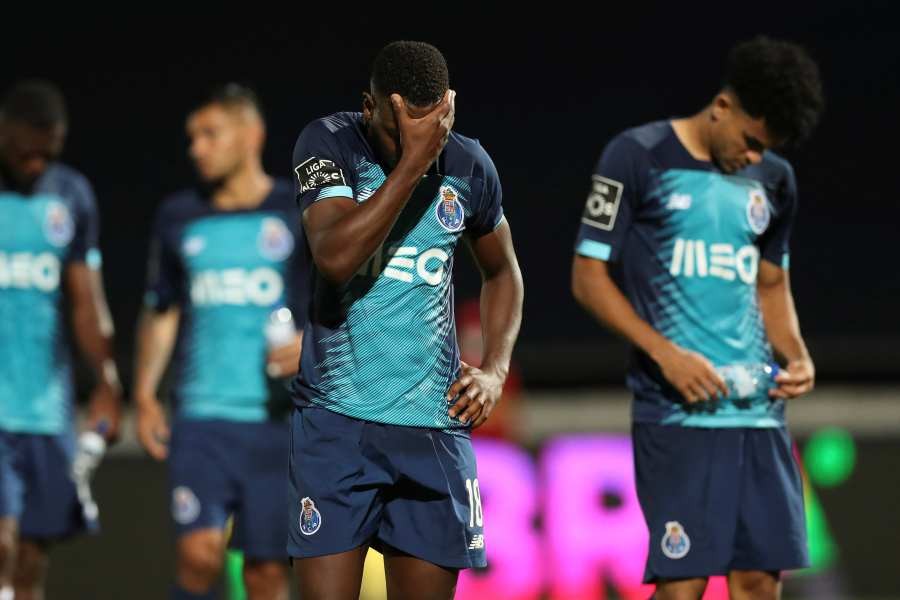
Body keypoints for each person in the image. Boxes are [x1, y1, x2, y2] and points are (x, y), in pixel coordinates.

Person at [571, 36, 824, 600]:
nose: (755, 157)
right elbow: (587, 279)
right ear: (722, 106)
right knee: (682, 583)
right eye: (752, 141)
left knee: (759, 579)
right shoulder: (636, 157)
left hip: (758, 414)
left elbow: (772, 283)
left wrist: (797, 354)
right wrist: (665, 353)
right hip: (678, 413)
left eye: (768, 148)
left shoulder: (775, 181)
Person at [288, 41, 524, 600]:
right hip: (336, 425)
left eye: (430, 133)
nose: (416, 146)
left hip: (432, 429)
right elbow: (336, 257)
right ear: (369, 107)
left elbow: (504, 273)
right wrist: (415, 165)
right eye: (401, 134)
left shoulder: (469, 165)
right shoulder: (327, 143)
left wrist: (494, 369)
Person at [134, 84, 304, 600]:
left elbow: (339, 303)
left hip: (277, 422)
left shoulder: (296, 210)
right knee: (199, 555)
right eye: (192, 137)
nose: (197, 148)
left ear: (252, 135)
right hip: (201, 419)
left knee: (267, 574)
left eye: (210, 133)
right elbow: (162, 309)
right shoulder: (179, 216)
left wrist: (312, 344)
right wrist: (143, 393)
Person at [0, 80, 122, 600]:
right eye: (28, 150)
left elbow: (84, 301)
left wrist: (107, 380)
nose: (38, 162)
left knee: (30, 558)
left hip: (47, 410)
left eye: (48, 152)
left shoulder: (70, 194)